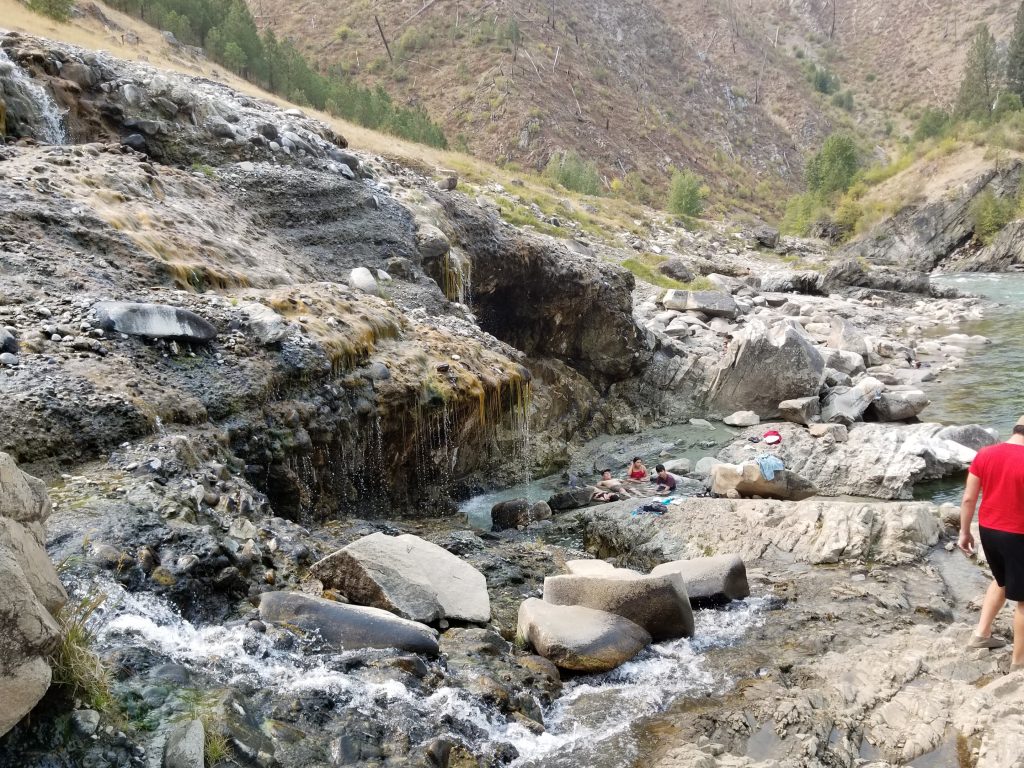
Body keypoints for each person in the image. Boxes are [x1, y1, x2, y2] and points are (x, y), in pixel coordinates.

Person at [959, 415, 1024, 671]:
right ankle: (1019, 663)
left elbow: (968, 499)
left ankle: (981, 634)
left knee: (1001, 580)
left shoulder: (985, 454)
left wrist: (964, 532)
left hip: (988, 530)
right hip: (1018, 534)